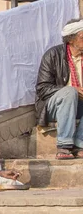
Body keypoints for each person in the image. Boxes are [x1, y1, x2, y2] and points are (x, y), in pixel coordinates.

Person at [36, 18, 83, 160]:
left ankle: (80, 145)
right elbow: (42, 89)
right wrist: (73, 89)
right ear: (71, 39)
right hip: (54, 106)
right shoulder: (53, 55)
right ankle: (64, 145)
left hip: (80, 105)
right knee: (70, 92)